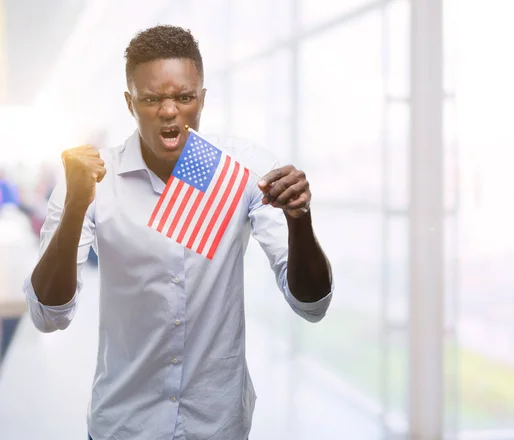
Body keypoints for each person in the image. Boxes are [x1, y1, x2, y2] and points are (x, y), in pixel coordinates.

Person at [24, 25, 333, 440]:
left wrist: (301, 221)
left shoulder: (243, 170)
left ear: (202, 98)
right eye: (152, 99)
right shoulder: (95, 179)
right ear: (130, 102)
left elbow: (311, 304)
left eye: (185, 97)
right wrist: (77, 206)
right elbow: (48, 314)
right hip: (124, 424)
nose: (169, 111)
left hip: (216, 423)